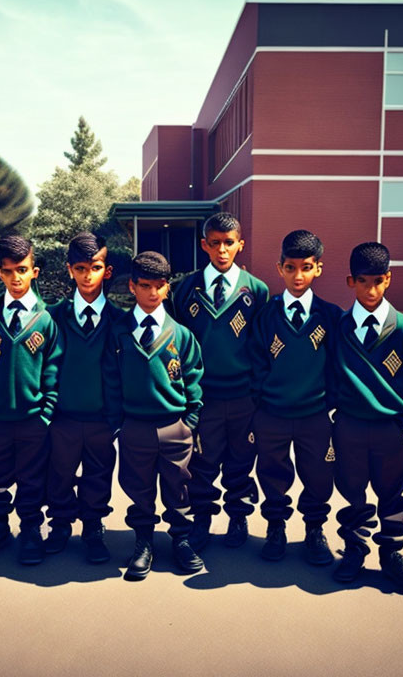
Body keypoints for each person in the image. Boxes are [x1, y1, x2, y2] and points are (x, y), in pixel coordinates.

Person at [102, 251, 205, 580]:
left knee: (179, 489)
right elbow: (111, 381)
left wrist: (188, 422)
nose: (152, 293)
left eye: (159, 286)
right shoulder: (119, 333)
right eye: (144, 285)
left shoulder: (181, 335)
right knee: (139, 490)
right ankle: (143, 542)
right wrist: (118, 426)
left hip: (174, 427)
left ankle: (182, 540)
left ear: (167, 288)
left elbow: (194, 381)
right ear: (132, 286)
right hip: (135, 427)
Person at [169, 212, 269, 551]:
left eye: (229, 243)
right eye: (215, 244)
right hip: (204, 396)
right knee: (202, 462)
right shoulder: (185, 290)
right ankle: (202, 520)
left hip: (243, 397)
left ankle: (238, 517)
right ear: (204, 245)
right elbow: (178, 345)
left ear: (240, 245)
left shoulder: (257, 290)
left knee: (241, 461)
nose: (222, 250)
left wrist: (257, 393)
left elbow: (261, 346)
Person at [328, 242, 403, 590]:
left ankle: (392, 554)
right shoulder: (338, 327)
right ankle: (354, 549)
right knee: (352, 492)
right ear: (350, 281)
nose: (371, 290)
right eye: (363, 281)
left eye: (379, 281)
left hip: (389, 428)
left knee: (392, 494)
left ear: (389, 280)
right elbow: (331, 375)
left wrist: (401, 417)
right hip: (349, 426)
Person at [0, 234, 62, 565]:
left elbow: (52, 370)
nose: (16, 278)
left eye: (22, 269)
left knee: (32, 479)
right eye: (8, 271)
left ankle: (31, 531)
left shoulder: (47, 319)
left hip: (33, 420)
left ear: (34, 271)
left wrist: (46, 413)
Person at [250, 230, 341, 565]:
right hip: (272, 414)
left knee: (318, 474)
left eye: (306, 267)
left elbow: (337, 365)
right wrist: (264, 401)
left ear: (318, 268)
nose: (298, 275)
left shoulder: (331, 317)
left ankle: (315, 530)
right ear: (280, 269)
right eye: (291, 267)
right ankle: (276, 527)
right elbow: (257, 363)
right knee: (272, 473)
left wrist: (326, 401)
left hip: (314, 415)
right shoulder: (265, 316)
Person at [46, 232, 124, 564]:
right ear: (70, 270)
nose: (87, 275)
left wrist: (116, 419)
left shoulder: (120, 321)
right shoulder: (53, 316)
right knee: (60, 474)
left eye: (95, 267)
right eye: (80, 268)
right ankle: (61, 524)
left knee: (97, 474)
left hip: (101, 420)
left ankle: (93, 527)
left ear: (106, 270)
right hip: (63, 417)